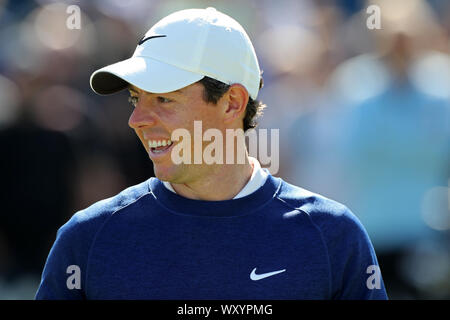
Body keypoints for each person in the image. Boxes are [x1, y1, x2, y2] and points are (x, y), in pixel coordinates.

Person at [35, 7, 388, 300]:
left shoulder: (333, 237)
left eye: (163, 99)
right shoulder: (87, 239)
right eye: (135, 99)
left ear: (232, 102)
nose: (136, 120)